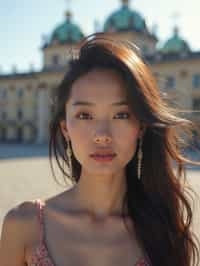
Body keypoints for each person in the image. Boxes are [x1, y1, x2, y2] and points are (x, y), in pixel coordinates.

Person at [0, 33, 200, 266]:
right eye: (85, 115)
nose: (102, 135)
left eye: (121, 115)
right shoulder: (23, 226)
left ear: (141, 127)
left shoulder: (167, 235)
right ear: (65, 128)